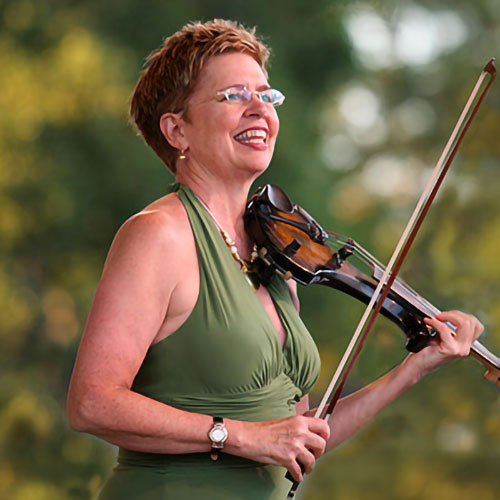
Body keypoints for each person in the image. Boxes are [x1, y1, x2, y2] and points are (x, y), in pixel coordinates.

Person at [67, 19, 484, 500]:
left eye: (267, 96)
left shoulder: (276, 256)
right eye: (233, 96)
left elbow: (299, 438)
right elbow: (91, 403)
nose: (257, 110)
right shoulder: (159, 236)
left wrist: (414, 367)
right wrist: (240, 435)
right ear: (176, 129)